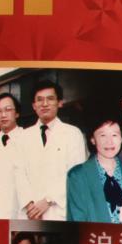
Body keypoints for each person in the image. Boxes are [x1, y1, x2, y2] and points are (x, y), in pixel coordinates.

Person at [16, 81, 87, 221]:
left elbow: (75, 175)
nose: (44, 104)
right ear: (33, 105)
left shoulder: (73, 134)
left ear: (60, 103)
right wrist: (30, 205)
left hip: (59, 211)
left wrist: (48, 200)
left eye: (50, 99)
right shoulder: (23, 137)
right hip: (30, 214)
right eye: (39, 100)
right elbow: (19, 174)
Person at [67, 116, 122, 224]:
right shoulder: (77, 176)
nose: (109, 142)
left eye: (114, 135)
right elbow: (77, 220)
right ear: (93, 139)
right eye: (103, 135)